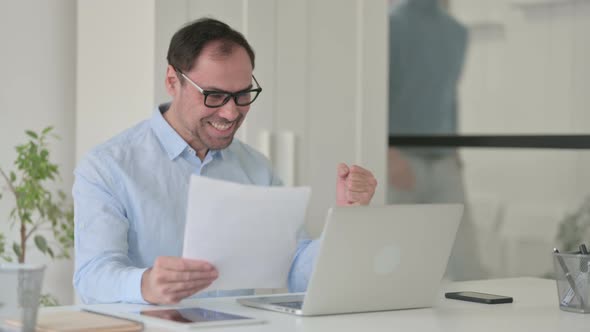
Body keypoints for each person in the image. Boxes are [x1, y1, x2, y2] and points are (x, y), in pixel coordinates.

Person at [73, 18, 377, 304]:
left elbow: (298, 273)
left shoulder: (256, 168)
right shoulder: (108, 167)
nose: (231, 113)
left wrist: (347, 216)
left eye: (243, 95)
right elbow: (91, 275)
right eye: (215, 95)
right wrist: (146, 284)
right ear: (172, 81)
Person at [387, 0, 485, 280]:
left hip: (444, 162)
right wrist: (389, 154)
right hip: (401, 162)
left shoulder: (457, 32)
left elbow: (449, 97)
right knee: (395, 260)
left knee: (466, 262)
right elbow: (378, 93)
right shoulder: (390, 25)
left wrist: (455, 153)